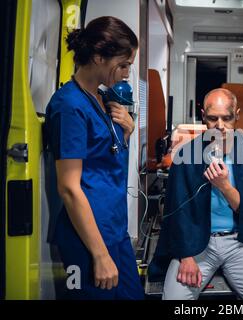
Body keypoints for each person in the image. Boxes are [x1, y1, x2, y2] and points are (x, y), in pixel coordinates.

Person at [148, 88, 243, 300]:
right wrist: (186, 257)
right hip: (197, 245)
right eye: (213, 118)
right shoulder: (186, 157)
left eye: (227, 118)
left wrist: (224, 185)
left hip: (241, 243)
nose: (220, 126)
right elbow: (177, 213)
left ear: (237, 114)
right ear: (203, 116)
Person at [45, 16, 144, 300]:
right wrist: (99, 255)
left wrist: (126, 132)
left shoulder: (101, 98)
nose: (126, 73)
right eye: (123, 65)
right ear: (99, 57)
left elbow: (105, 156)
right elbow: (69, 187)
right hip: (88, 241)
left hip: (114, 230)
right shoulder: (69, 106)